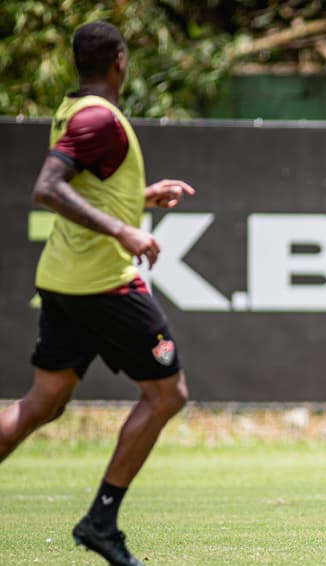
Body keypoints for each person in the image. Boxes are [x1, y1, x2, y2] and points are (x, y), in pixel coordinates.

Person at [0, 21, 194, 566]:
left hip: (65, 279)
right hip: (102, 283)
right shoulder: (96, 118)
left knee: (42, 404)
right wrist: (125, 231)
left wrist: (140, 199)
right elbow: (48, 188)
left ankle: (102, 522)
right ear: (120, 61)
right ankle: (101, 521)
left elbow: (86, 186)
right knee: (167, 394)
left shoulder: (71, 109)